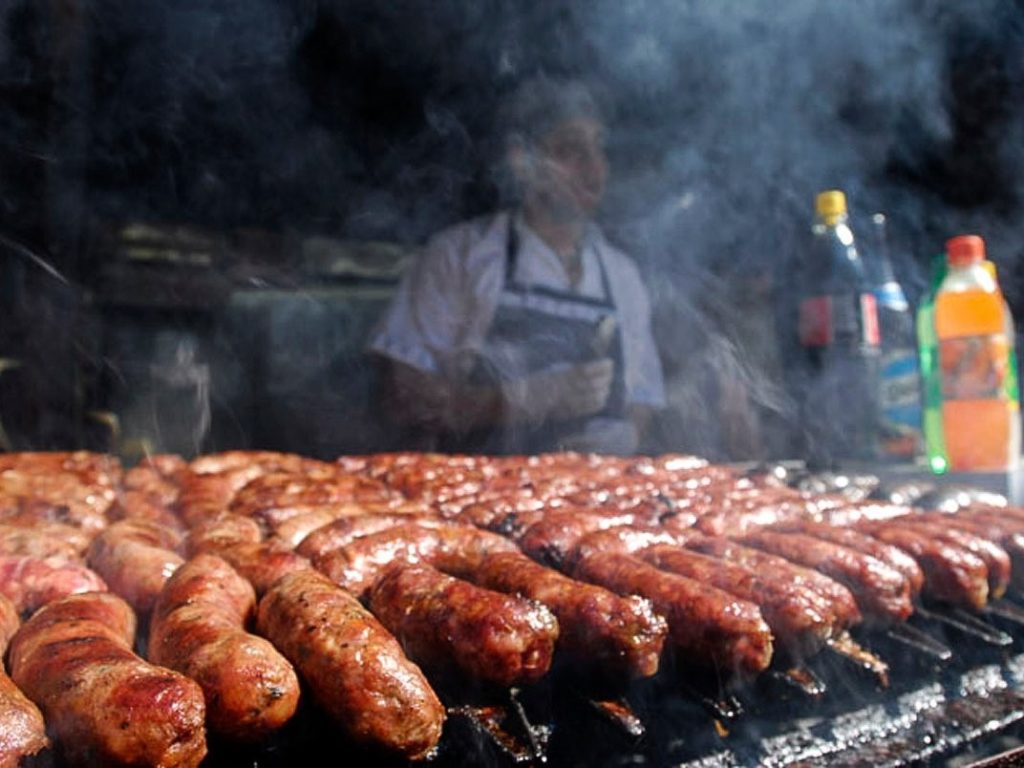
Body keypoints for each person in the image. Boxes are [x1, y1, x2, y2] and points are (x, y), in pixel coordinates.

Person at [367, 75, 665, 455]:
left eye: (599, 148)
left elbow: (642, 400)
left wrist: (629, 434)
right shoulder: (460, 256)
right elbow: (400, 400)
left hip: (592, 507)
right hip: (468, 498)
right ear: (522, 161)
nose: (595, 169)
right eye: (572, 150)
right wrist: (519, 401)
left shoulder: (623, 277)